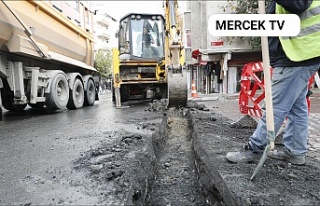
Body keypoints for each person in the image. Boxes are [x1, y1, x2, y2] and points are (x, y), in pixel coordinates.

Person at [226, 0, 320, 165]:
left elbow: (299, 4)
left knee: (276, 106)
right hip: (303, 54)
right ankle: (295, 152)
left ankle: (256, 148)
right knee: (297, 107)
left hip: (297, 55)